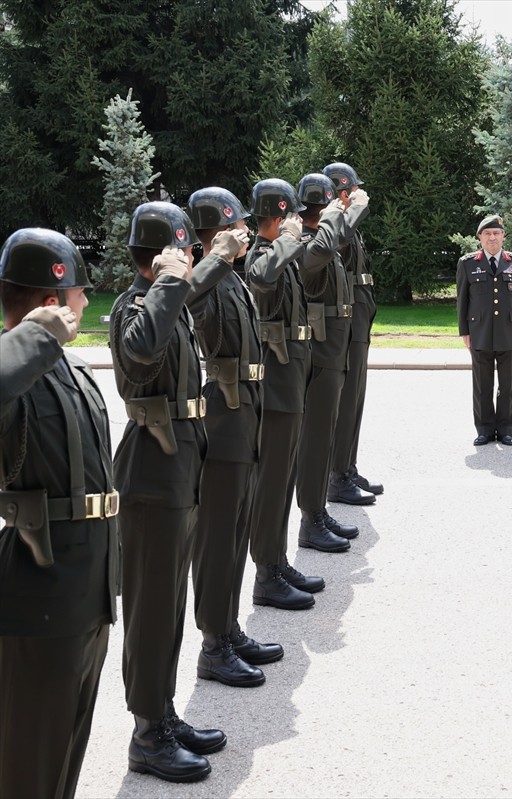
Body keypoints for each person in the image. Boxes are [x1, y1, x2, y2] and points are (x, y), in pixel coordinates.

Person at [0, 229, 118, 799]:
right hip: (39, 595)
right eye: (76, 293)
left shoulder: (69, 368)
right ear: (51, 302)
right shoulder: (16, 368)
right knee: (30, 765)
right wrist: (31, 337)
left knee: (65, 756)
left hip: (87, 591)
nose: (84, 303)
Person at [110, 202, 223, 782]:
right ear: (155, 256)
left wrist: (201, 268)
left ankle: (163, 712)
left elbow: (194, 292)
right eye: (179, 251)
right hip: (150, 473)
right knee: (152, 610)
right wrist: (170, 279)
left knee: (170, 606)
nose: (188, 259)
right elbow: (143, 350)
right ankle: (146, 734)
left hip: (178, 465)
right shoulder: (136, 307)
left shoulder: (169, 297)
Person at [184, 187, 282, 688]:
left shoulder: (231, 276)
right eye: (237, 226)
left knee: (238, 527)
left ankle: (228, 628)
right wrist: (217, 257)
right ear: (217, 232)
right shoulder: (205, 277)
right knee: (219, 534)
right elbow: (188, 296)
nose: (246, 231)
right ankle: (212, 644)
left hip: (245, 410)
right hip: (222, 413)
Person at [245, 179, 326, 607]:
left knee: (284, 475)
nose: (298, 221)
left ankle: (276, 561)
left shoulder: (284, 251)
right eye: (291, 216)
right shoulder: (263, 253)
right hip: (275, 383)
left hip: (291, 375)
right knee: (273, 481)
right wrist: (290, 240)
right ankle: (265, 573)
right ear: (277, 217)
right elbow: (260, 276)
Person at [292, 174, 362, 552]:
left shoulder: (324, 238)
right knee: (317, 437)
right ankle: (310, 518)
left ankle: (317, 510)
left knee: (326, 431)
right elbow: (315, 256)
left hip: (332, 347)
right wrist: (335, 217)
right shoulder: (308, 242)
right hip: (320, 351)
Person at [323, 162, 384, 503]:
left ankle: (347, 465)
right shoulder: (335, 221)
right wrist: (355, 209)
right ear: (343, 192)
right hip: (345, 320)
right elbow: (336, 240)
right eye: (354, 191)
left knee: (355, 397)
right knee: (345, 400)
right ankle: (336, 475)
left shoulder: (347, 221)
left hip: (358, 316)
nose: (361, 195)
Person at [456, 215, 512, 446]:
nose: (492, 237)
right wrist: (464, 332)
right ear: (479, 237)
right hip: (479, 332)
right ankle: (485, 430)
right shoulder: (467, 263)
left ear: (503, 236)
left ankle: (506, 430)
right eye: (487, 233)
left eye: (496, 233)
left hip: (509, 332)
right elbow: (462, 300)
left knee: (508, 385)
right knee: (482, 385)